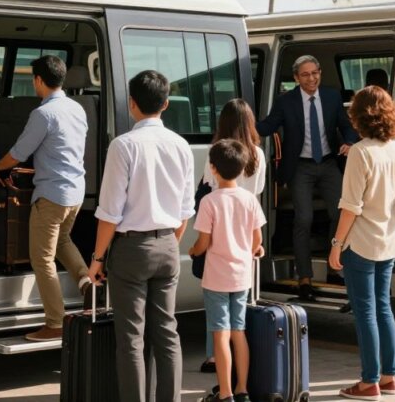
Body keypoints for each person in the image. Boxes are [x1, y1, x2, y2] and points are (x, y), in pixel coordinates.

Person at [88, 70, 195, 402]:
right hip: (168, 244)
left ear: (131, 103)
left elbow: (110, 212)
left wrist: (97, 259)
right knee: (167, 334)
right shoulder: (181, 145)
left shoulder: (123, 146)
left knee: (131, 339)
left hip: (131, 249)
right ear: (166, 104)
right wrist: (169, 243)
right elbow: (185, 210)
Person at [0, 55, 91, 342]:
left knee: (41, 259)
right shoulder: (77, 109)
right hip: (75, 192)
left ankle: (55, 323)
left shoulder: (43, 114)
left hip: (52, 195)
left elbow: (18, 154)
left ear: (39, 80)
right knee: (63, 240)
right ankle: (86, 281)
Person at [257, 55, 358, 300]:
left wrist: (349, 141)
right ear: (296, 78)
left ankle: (335, 268)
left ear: (320, 73)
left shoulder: (332, 97)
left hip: (329, 163)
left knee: (340, 214)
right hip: (300, 167)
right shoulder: (285, 101)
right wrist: (239, 126)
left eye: (315, 73)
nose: (311, 78)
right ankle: (304, 278)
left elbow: (346, 125)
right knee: (304, 218)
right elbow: (268, 126)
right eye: (305, 74)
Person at [328, 86, 395, 400]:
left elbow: (351, 206)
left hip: (361, 242)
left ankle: (369, 381)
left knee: (365, 312)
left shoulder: (360, 152)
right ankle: (389, 377)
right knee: (383, 308)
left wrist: (336, 243)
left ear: (359, 116)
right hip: (388, 239)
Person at [189, 139, 266, 402]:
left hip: (216, 279)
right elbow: (257, 240)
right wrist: (253, 250)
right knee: (238, 331)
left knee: (220, 334)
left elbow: (203, 242)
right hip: (241, 277)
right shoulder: (250, 200)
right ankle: (242, 389)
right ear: (243, 168)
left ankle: (225, 393)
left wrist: (193, 251)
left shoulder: (209, 202)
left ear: (212, 168)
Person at [199, 99, 267, 374]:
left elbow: (209, 184)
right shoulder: (258, 154)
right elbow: (257, 190)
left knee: (215, 298)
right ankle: (238, 359)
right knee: (239, 299)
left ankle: (213, 356)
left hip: (219, 223)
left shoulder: (216, 152)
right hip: (246, 225)